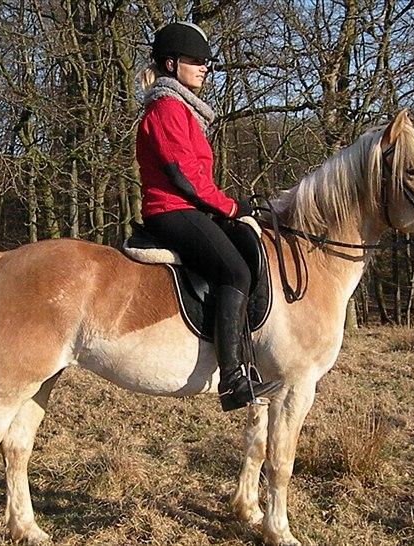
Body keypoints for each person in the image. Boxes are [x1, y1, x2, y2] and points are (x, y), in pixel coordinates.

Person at [136, 21, 281, 411]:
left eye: (206, 61)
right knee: (234, 272)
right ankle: (233, 380)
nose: (205, 67)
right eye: (196, 60)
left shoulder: (183, 109)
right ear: (170, 64)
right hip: (172, 211)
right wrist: (231, 207)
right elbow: (185, 178)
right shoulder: (165, 108)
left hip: (190, 208)